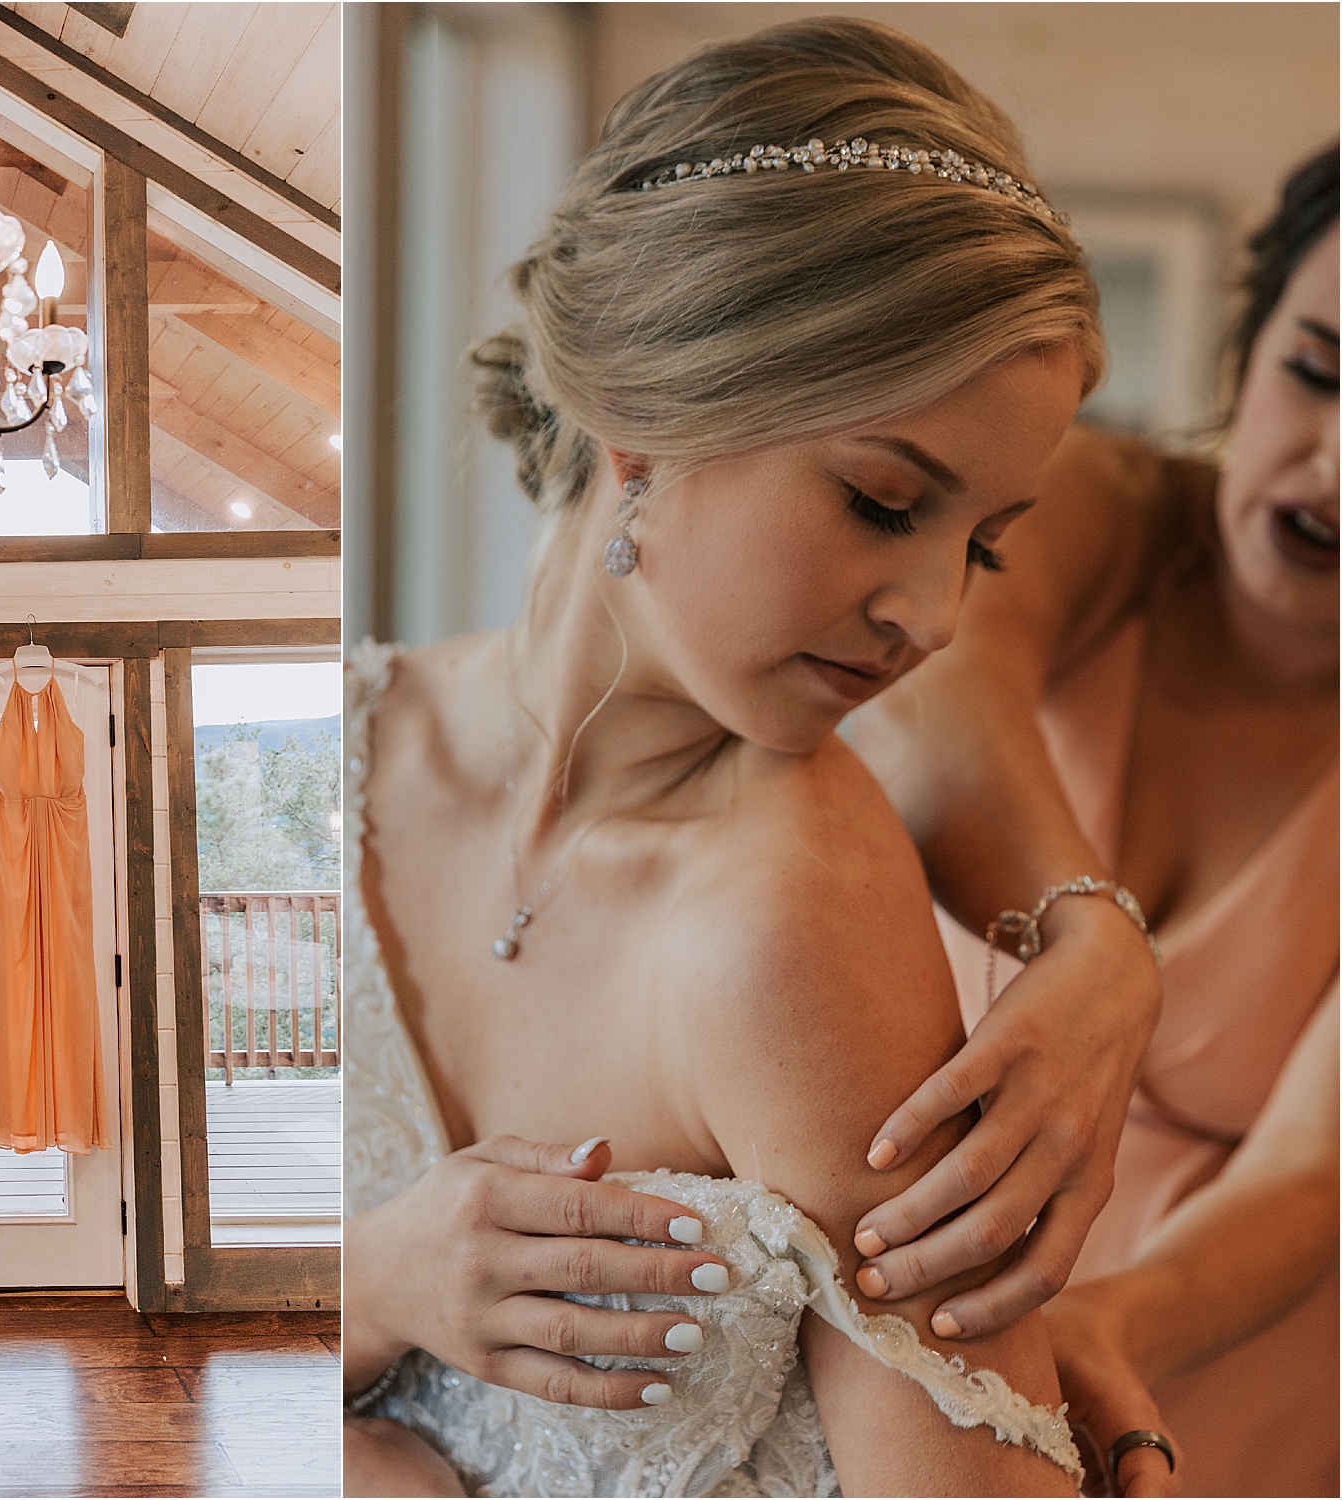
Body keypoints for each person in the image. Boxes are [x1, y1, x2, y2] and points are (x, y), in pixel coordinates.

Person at [343, 17, 1146, 1496]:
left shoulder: (791, 922)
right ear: (645, 406)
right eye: (884, 502)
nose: (935, 617)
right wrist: (371, 1291)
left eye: (982, 546)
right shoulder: (332, 749)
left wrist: (1104, 933)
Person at [851, 142, 1339, 1496]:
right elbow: (925, 685)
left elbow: (1316, 1172)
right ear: (1251, 346)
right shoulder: (1106, 511)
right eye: (1316, 370)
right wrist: (1090, 941)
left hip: (1211, 1372)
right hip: (924, 1325)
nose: (1334, 463)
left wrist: (1102, 1326)